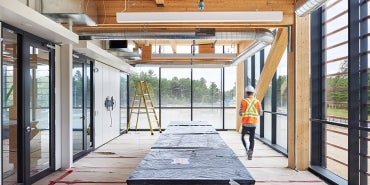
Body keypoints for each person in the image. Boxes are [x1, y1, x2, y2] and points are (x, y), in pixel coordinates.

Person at [239, 85, 262, 160]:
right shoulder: (257, 101)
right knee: (251, 139)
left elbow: (240, 113)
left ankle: (246, 149)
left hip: (245, 123)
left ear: (246, 93)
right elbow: (260, 113)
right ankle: (250, 152)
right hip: (253, 123)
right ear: (253, 93)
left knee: (242, 137)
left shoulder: (243, 101)